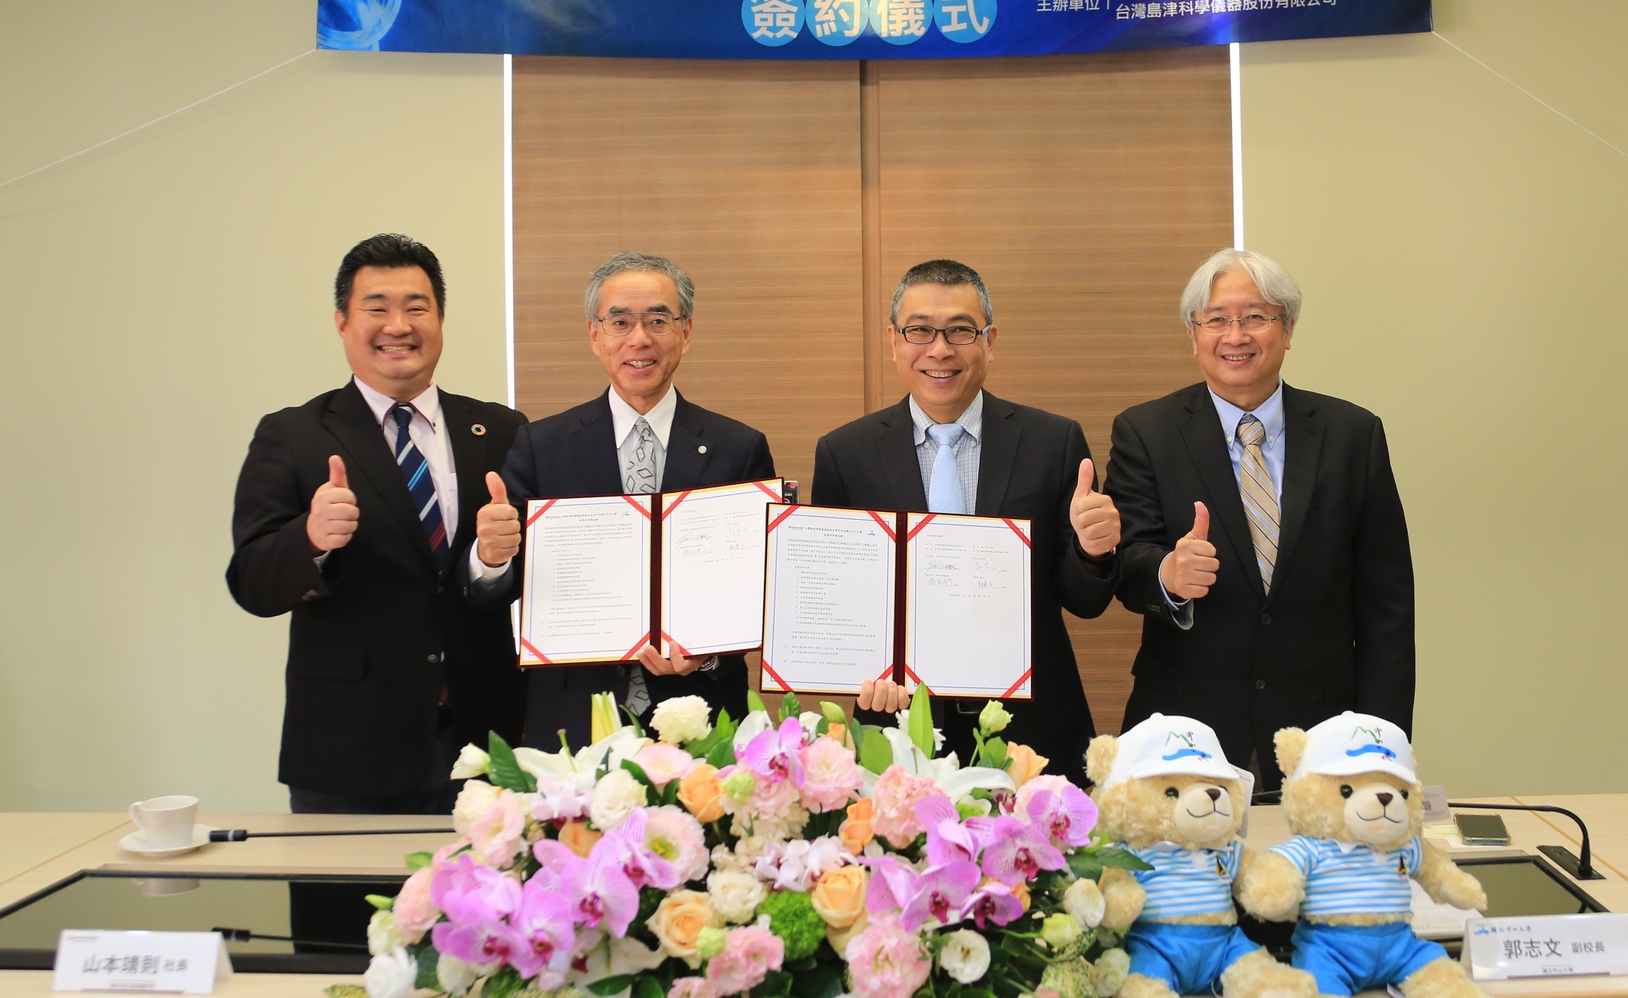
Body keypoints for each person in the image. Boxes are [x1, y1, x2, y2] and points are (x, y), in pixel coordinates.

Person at [228, 234, 527, 814]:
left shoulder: (502, 430)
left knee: (488, 905)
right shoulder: (293, 435)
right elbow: (252, 583)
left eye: (417, 307)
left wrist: (490, 564)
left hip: (487, 740)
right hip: (348, 748)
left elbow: (526, 582)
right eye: (377, 307)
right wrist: (310, 540)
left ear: (440, 319)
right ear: (342, 321)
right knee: (343, 907)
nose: (399, 324)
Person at [1104, 248, 1414, 788]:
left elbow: (1387, 604)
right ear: (1193, 334)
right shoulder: (1145, 432)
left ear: (1288, 329)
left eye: (1256, 317)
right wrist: (1168, 577)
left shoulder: (1352, 435)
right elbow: (1128, 564)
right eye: (1217, 319)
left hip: (1325, 731)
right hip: (1185, 730)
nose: (1236, 335)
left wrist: (1384, 742)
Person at [810, 259, 1121, 787]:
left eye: (960, 330)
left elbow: (1084, 601)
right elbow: (839, 599)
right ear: (893, 340)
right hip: (897, 729)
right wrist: (859, 671)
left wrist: (1094, 551)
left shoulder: (1053, 442)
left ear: (989, 339)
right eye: (919, 331)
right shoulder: (846, 453)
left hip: (1034, 728)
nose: (940, 349)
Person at [469, 251, 774, 749]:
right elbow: (490, 593)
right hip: (573, 718)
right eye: (620, 321)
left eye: (658, 320)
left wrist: (710, 654)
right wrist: (491, 557)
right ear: (595, 335)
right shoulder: (540, 446)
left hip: (701, 717)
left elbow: (758, 593)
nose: (640, 339)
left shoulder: (739, 448)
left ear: (686, 332)